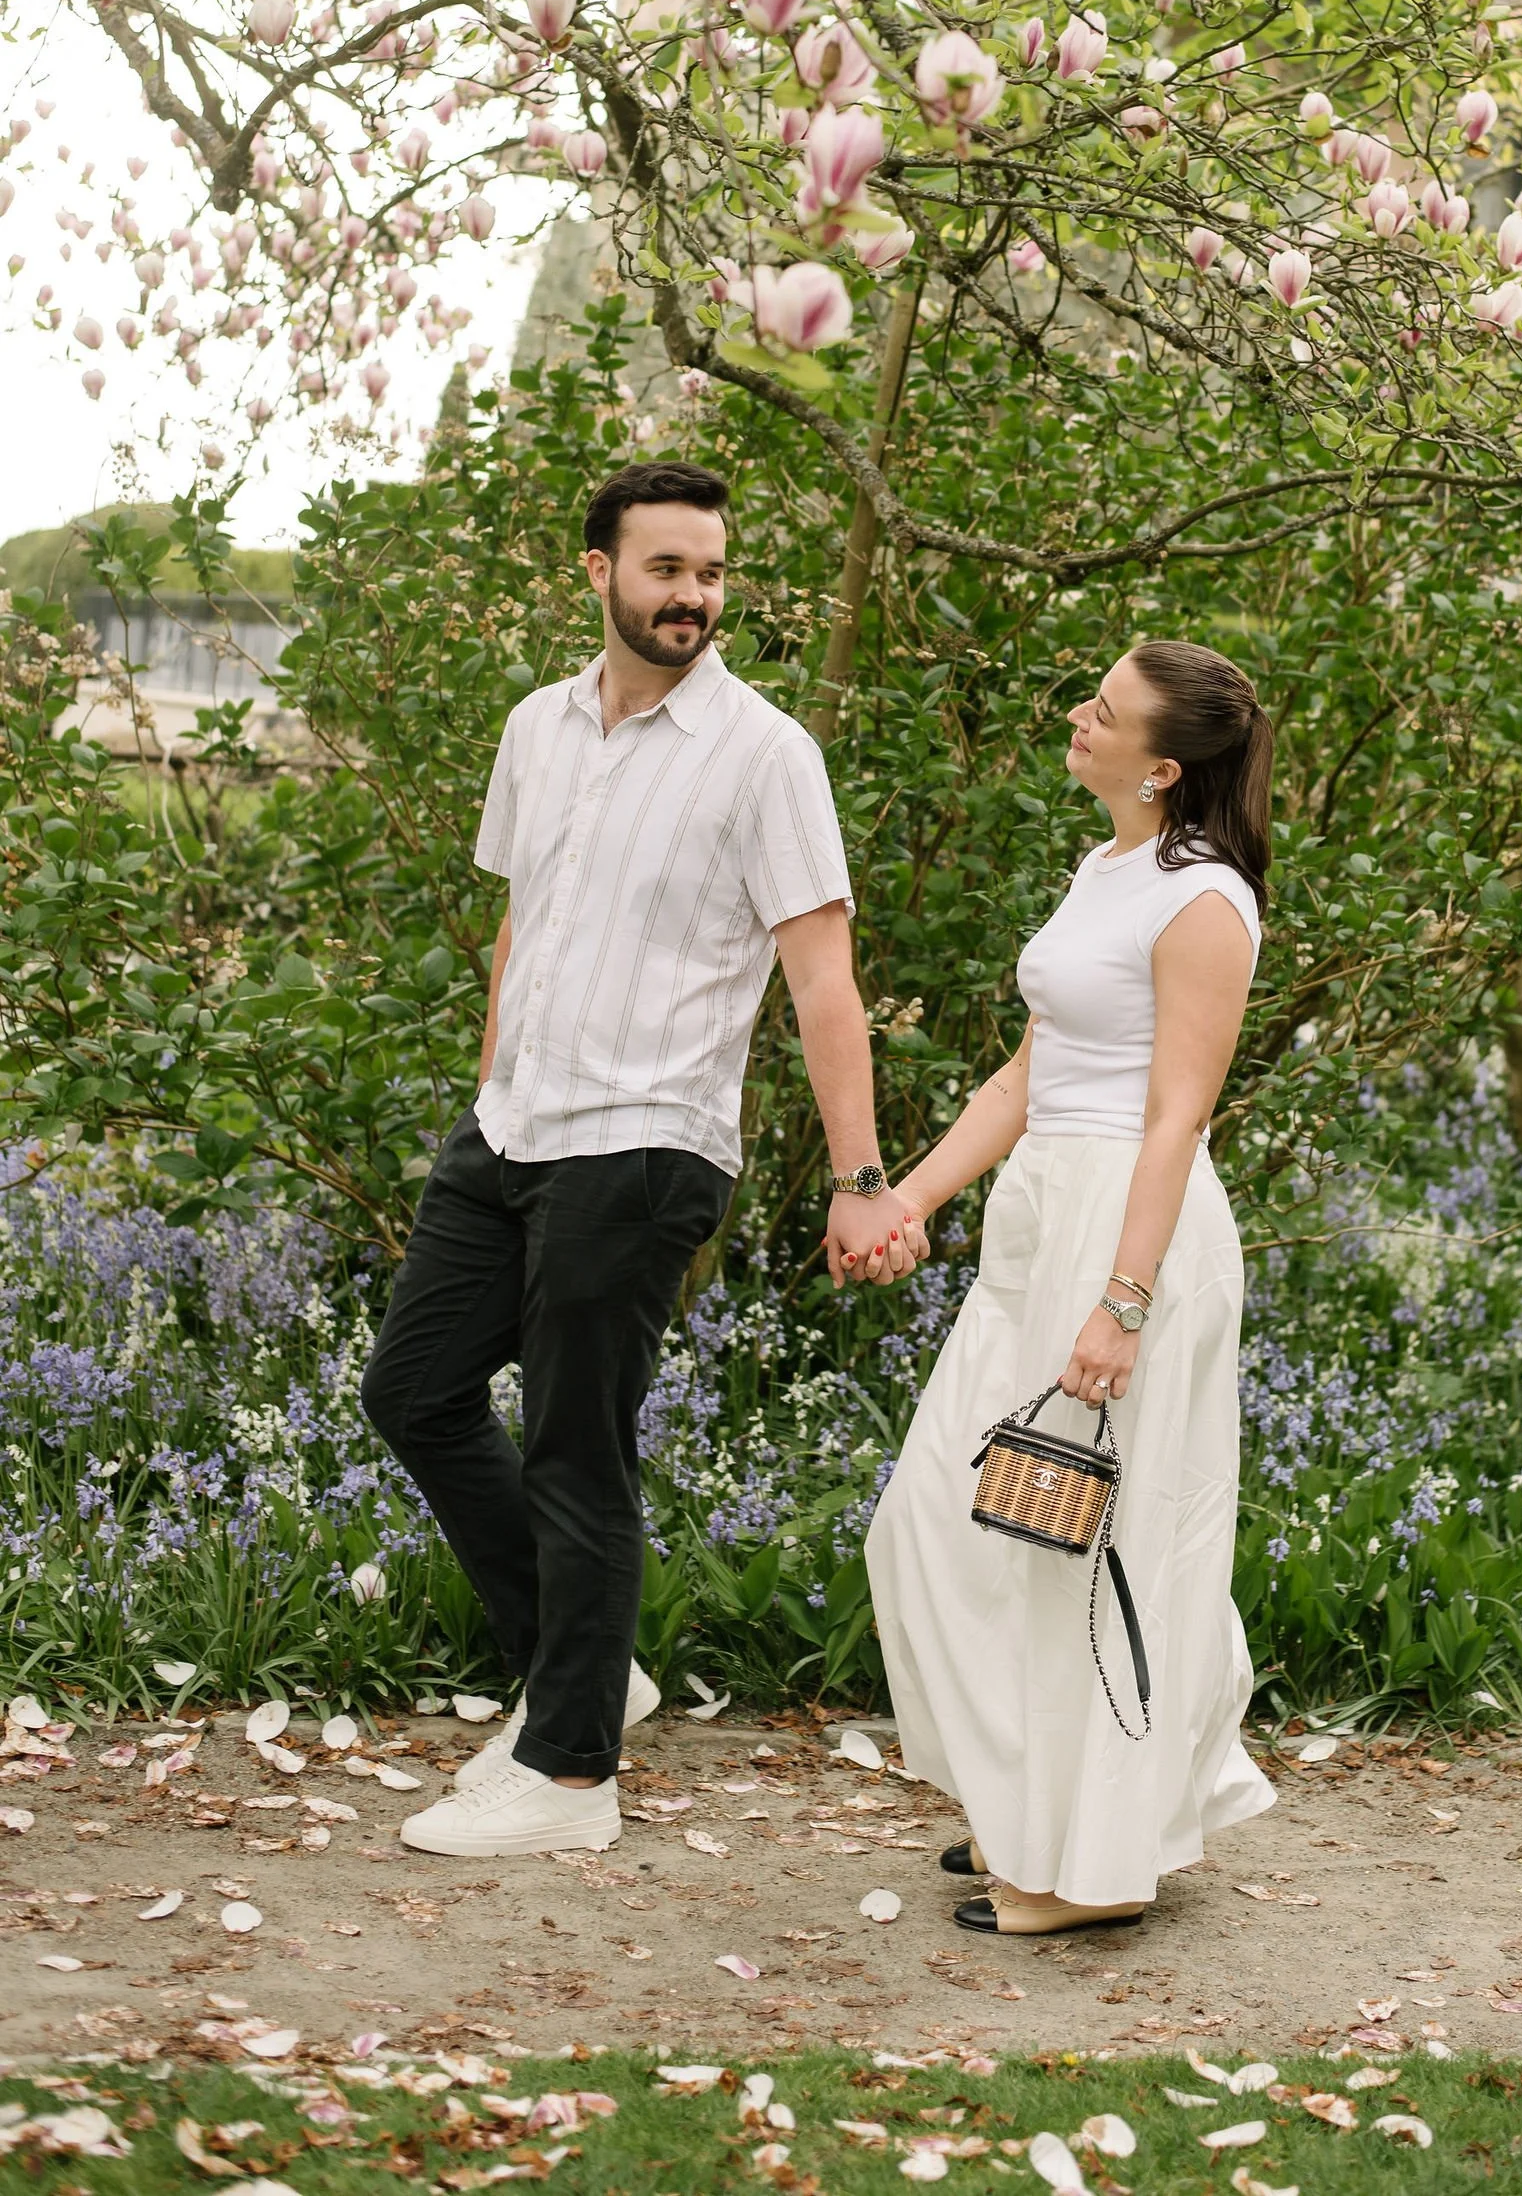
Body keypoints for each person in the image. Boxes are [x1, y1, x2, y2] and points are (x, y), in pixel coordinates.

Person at [362, 459, 926, 1857]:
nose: (695, 597)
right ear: (599, 572)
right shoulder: (536, 730)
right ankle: (585, 1668)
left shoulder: (764, 756)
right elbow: (524, 924)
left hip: (648, 1141)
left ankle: (569, 1780)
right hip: (513, 1127)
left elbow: (824, 985)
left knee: (575, 1446)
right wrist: (490, 1081)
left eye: (713, 574)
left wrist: (863, 1182)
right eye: (667, 570)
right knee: (414, 1391)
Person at [864, 639, 1277, 1935]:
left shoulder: (1203, 901)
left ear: (1162, 766)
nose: (1075, 717)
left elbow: (1175, 1119)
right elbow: (1023, 1076)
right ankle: (1025, 1801)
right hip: (1042, 1213)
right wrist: (909, 1199)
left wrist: (1125, 1302)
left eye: (1101, 711)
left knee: (1097, 1549)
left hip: (1131, 1230)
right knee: (942, 1518)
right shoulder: (1106, 866)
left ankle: (1076, 1871)